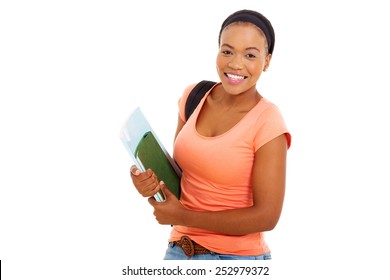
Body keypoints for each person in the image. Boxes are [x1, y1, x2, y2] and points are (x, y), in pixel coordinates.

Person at [130, 9, 291, 260]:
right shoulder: (194, 96)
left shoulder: (267, 121)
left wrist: (183, 216)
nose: (236, 64)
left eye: (250, 55)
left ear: (267, 61)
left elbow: (267, 216)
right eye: (227, 51)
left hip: (237, 260)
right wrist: (151, 184)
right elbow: (183, 178)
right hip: (179, 251)